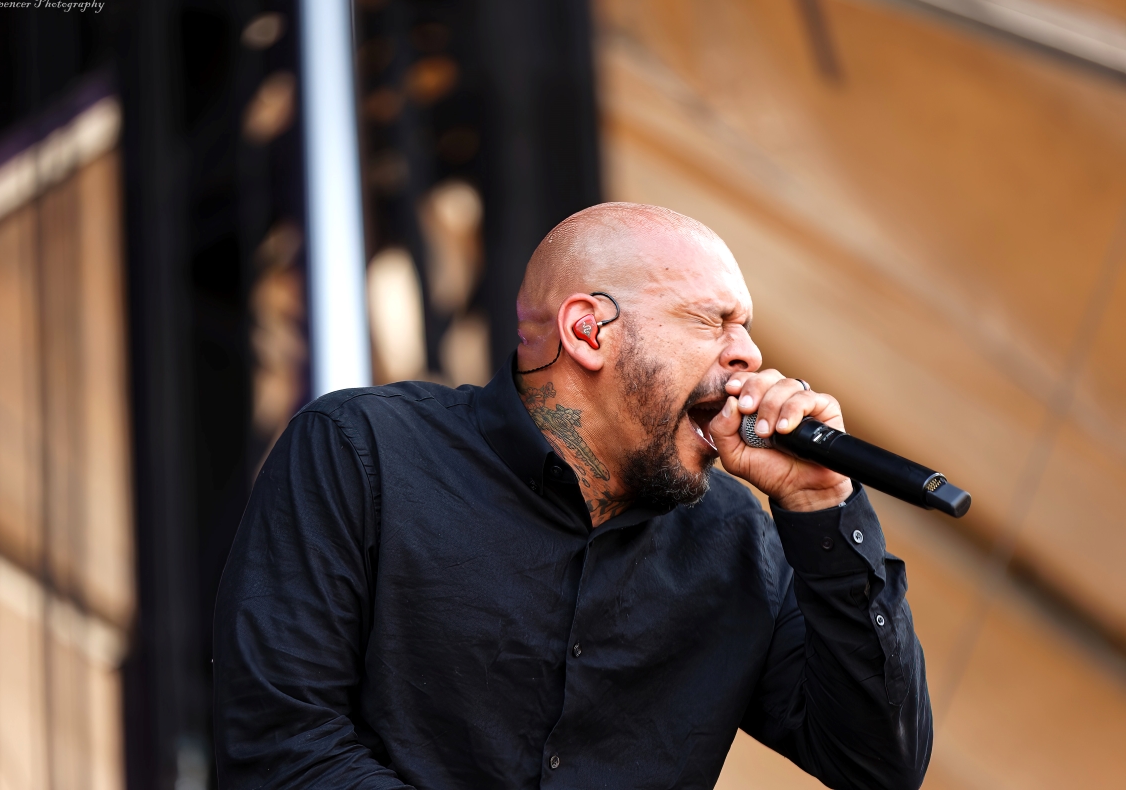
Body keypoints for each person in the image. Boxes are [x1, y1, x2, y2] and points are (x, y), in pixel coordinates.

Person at [213, 203, 932, 789]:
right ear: (589, 331)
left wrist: (821, 503)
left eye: (745, 328)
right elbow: (283, 747)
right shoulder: (364, 451)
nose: (748, 354)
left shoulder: (742, 539)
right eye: (711, 321)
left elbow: (879, 764)